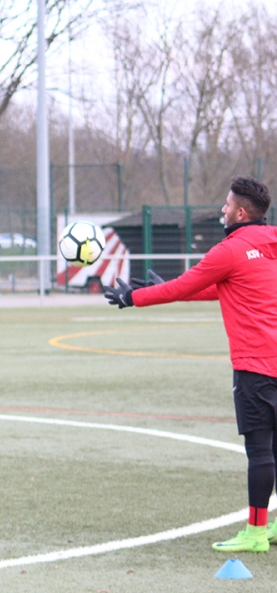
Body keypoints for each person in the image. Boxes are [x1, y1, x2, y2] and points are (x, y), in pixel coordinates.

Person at [104, 176, 277, 553]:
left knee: (260, 450)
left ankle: (256, 532)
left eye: (227, 204)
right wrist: (162, 288)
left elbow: (184, 285)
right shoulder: (272, 242)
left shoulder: (229, 250)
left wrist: (134, 297)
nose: (223, 209)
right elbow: (225, 286)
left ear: (241, 213)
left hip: (256, 364)